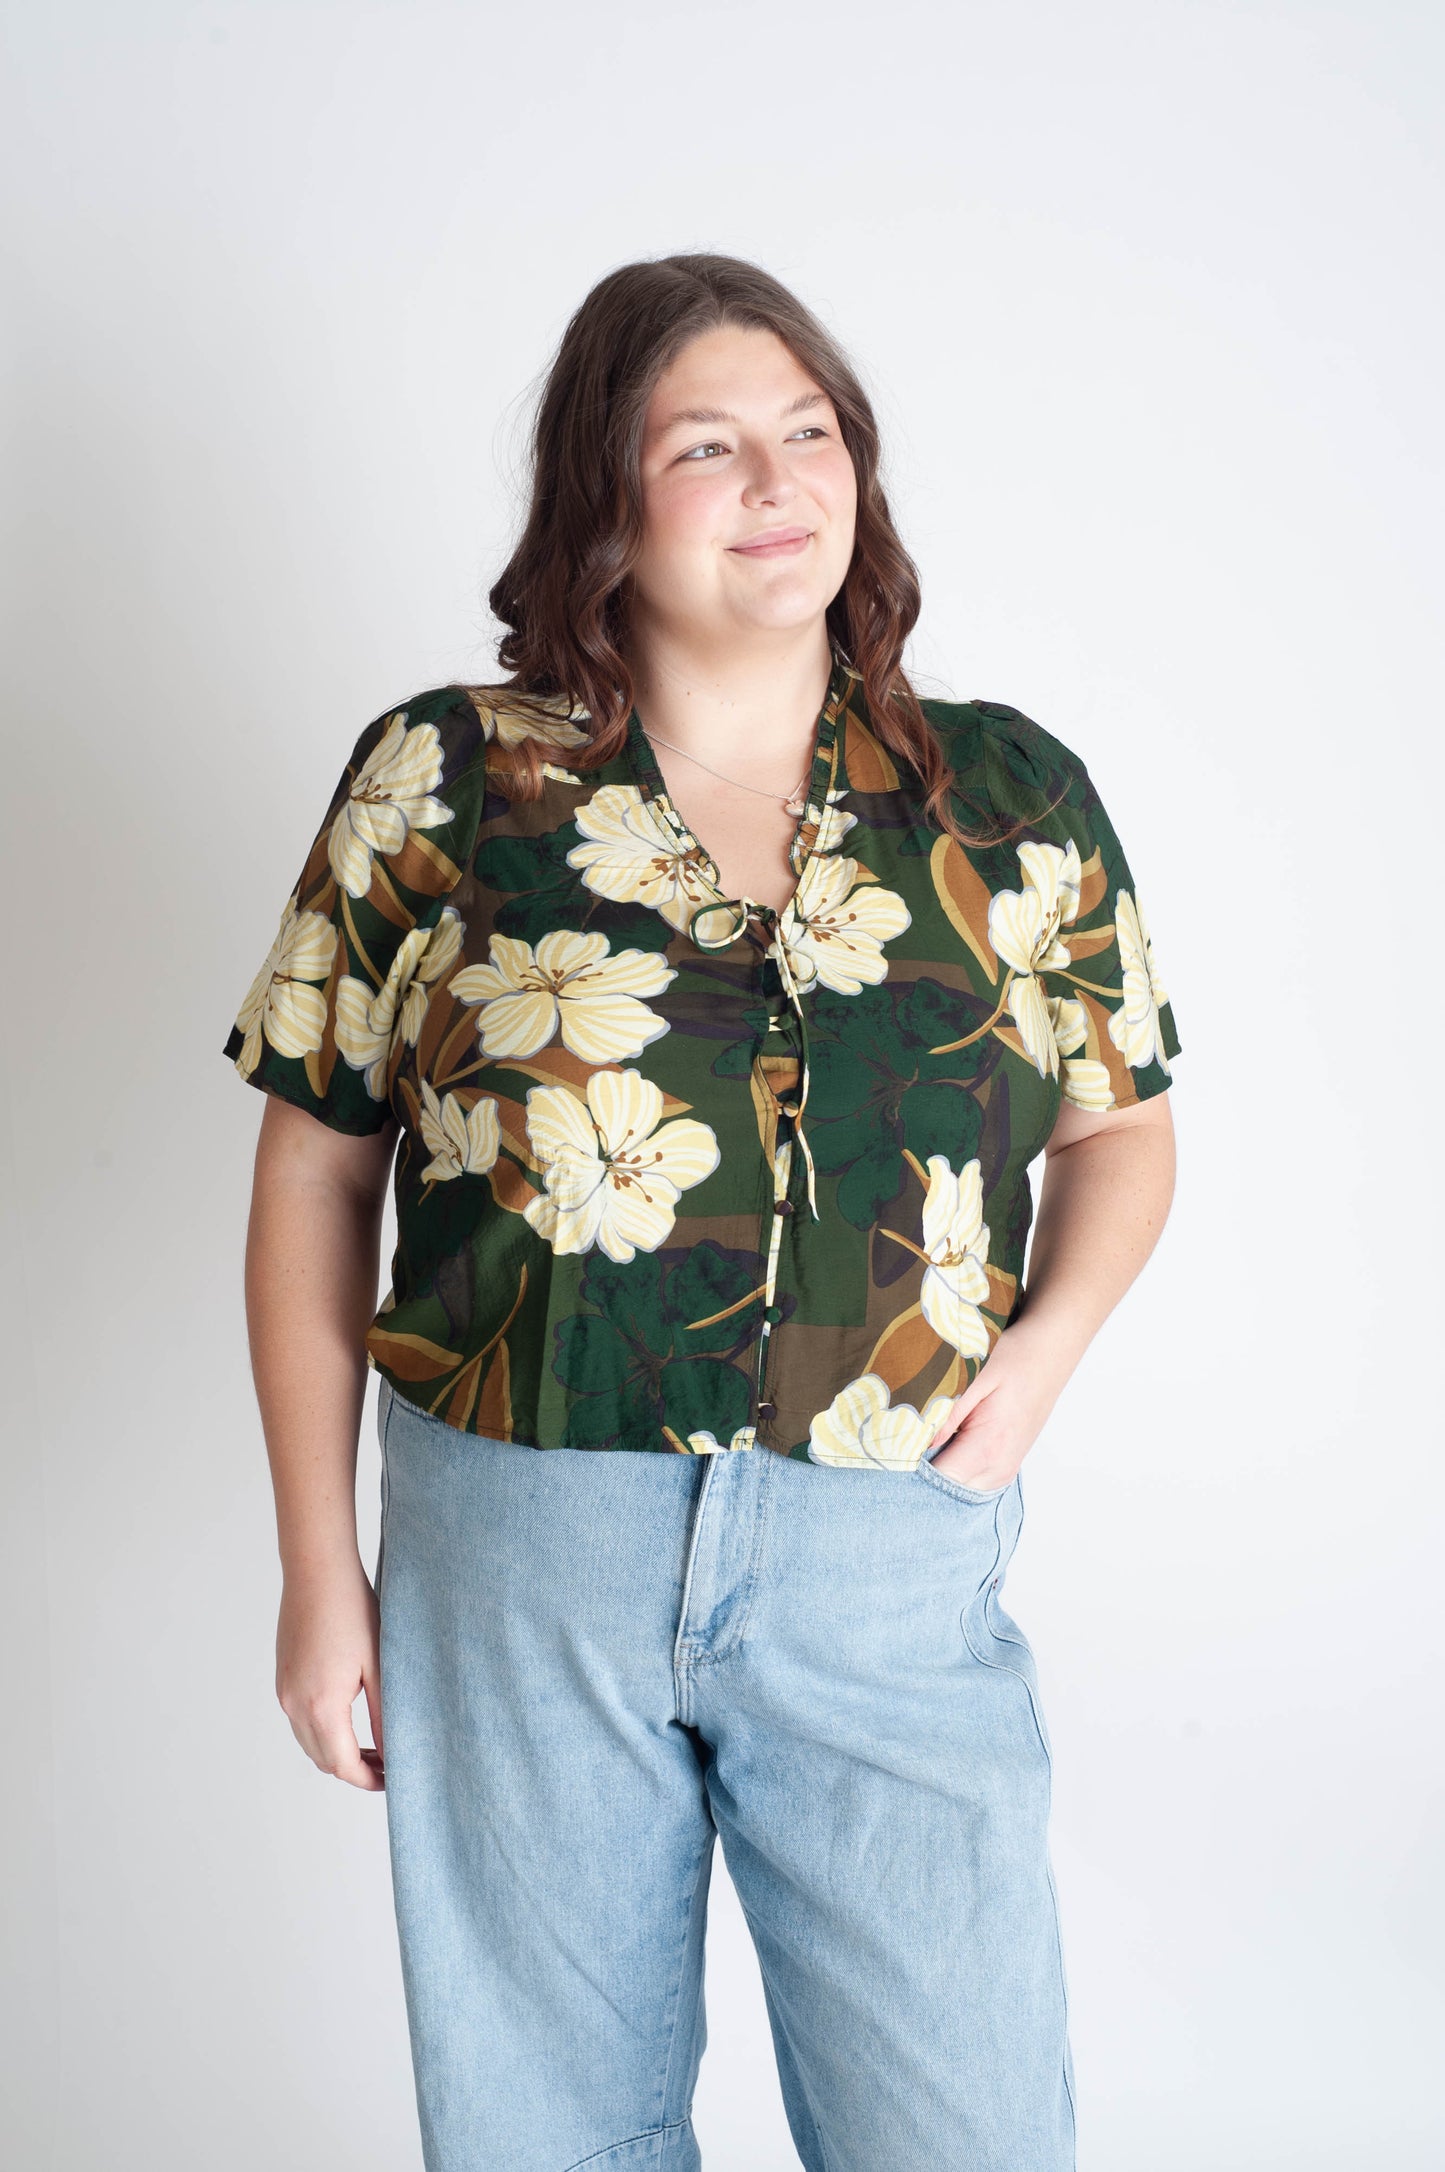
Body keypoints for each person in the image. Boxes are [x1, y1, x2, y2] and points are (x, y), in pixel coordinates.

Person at [221, 252, 1181, 2172]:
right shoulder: (445, 778)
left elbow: (1122, 1127)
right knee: (545, 2137)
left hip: (888, 1532)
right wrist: (324, 1573)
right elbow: (315, 1168)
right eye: (709, 444)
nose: (778, 482)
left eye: (811, 433)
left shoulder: (1001, 794)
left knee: (960, 2130)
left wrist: (1040, 1362)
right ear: (604, 494)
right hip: (521, 1542)